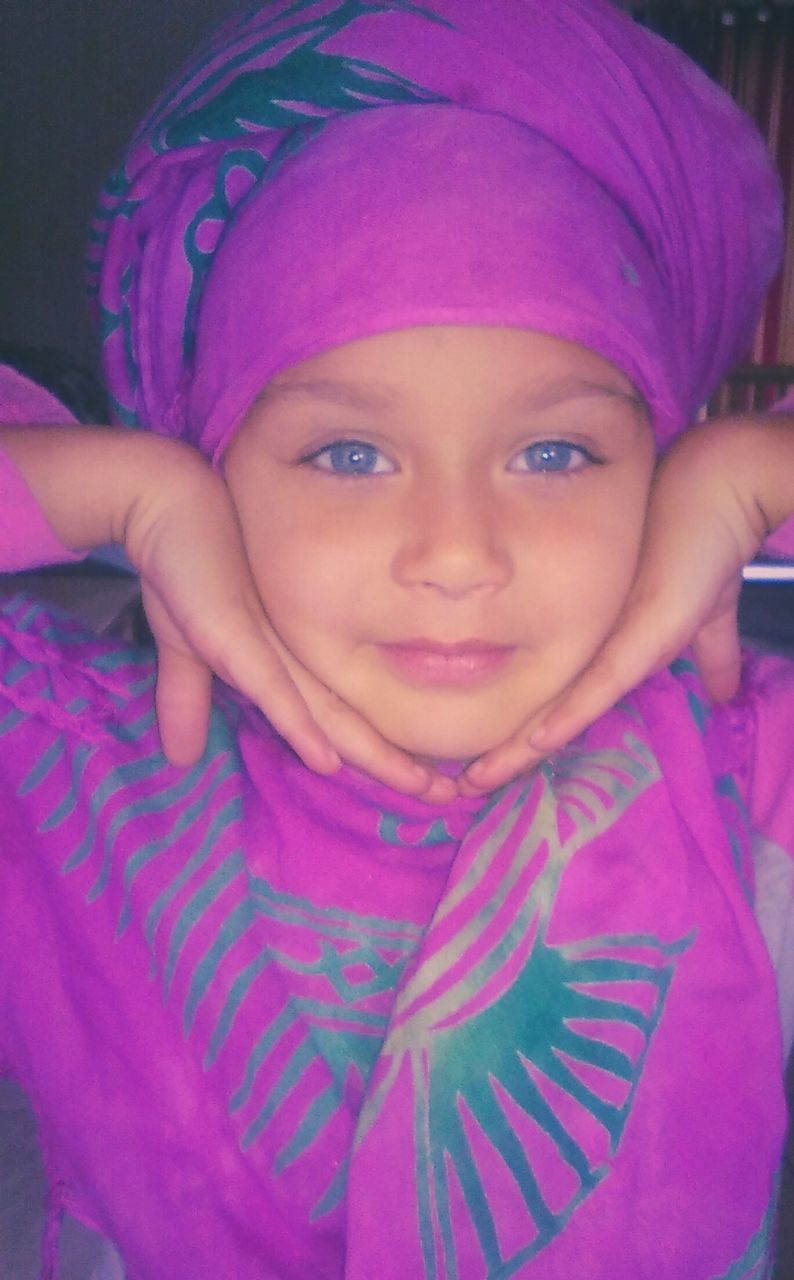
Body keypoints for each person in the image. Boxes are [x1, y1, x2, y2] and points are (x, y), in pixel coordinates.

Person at [2, 2, 794, 1276]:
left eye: (555, 452)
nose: (455, 552)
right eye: (347, 452)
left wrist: (757, 464)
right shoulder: (64, 769)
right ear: (216, 467)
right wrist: (116, 489)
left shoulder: (742, 769)